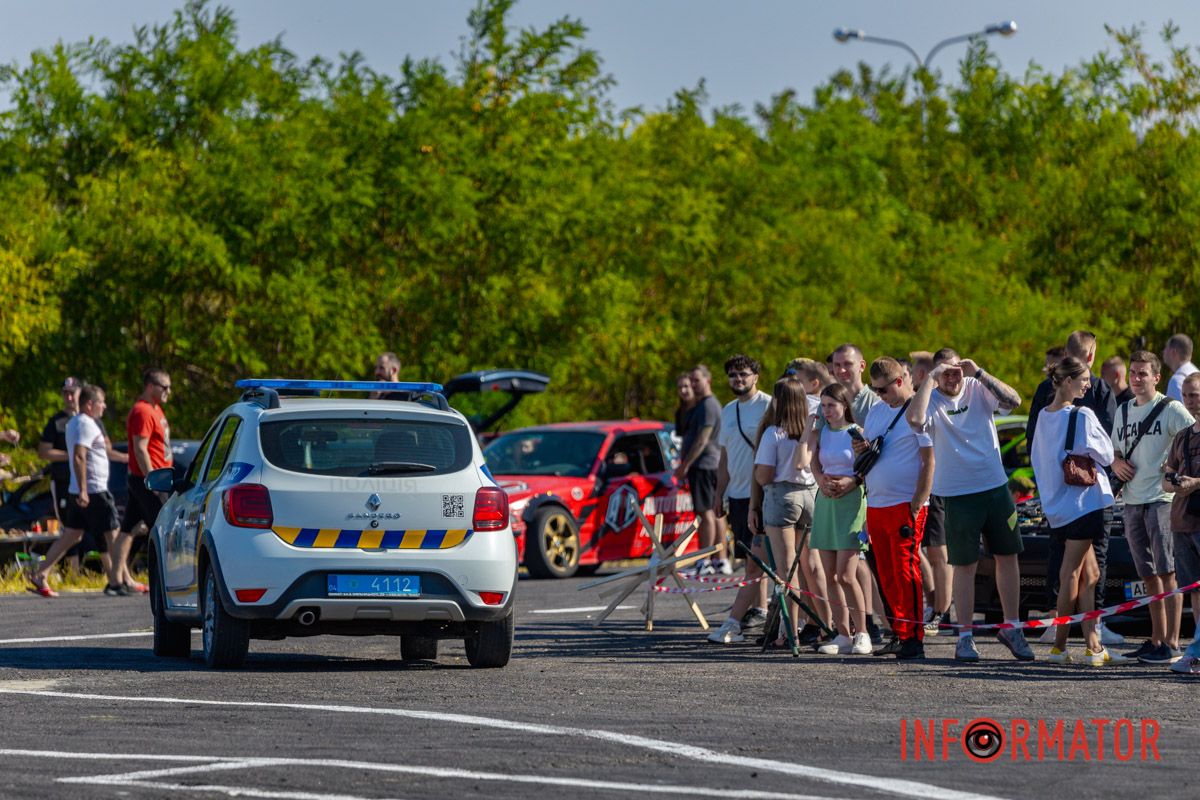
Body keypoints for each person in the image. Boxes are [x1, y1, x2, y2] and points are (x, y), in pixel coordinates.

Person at [907, 348, 1034, 662]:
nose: (952, 378)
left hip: (994, 486)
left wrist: (978, 371)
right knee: (964, 564)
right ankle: (964, 636)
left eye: (955, 371)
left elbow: (1014, 400)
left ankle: (1012, 627)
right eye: (945, 372)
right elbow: (915, 419)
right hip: (957, 493)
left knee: (1008, 556)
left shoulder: (977, 387)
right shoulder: (932, 399)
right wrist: (931, 380)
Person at [1031, 357, 1129, 665]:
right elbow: (1104, 453)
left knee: (1091, 573)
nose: (1089, 384)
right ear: (1068, 381)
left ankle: (1094, 646)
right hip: (1086, 504)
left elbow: (1039, 461)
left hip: (1059, 506)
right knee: (1072, 573)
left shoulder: (1044, 417)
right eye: (1084, 379)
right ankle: (1061, 646)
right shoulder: (1082, 414)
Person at [1113, 351, 1194, 664]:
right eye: (1133, 373)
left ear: (1157, 377)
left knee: (1168, 571)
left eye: (1143, 373)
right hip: (1132, 501)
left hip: (1162, 501)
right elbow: (1114, 451)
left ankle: (1172, 642)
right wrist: (1116, 462)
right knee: (1147, 574)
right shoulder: (1122, 412)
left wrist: (1174, 465)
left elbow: (1192, 438)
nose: (1136, 378)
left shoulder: (1170, 409)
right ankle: (1157, 638)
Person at [855, 358, 934, 659]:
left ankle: (915, 636)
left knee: (905, 568)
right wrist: (861, 448)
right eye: (875, 390)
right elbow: (875, 448)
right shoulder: (876, 411)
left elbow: (929, 459)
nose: (879, 395)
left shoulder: (917, 411)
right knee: (885, 572)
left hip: (905, 503)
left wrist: (918, 500)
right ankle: (899, 632)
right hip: (877, 503)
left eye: (883, 389)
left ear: (900, 381)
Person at [28, 385, 127, 597]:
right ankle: (120, 581)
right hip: (93, 489)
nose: (104, 406)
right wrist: (83, 490)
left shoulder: (78, 422)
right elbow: (79, 456)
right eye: (101, 402)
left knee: (72, 534)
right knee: (115, 533)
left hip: (81, 489)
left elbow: (103, 452)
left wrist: (126, 458)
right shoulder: (85, 424)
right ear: (90, 404)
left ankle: (40, 573)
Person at [708, 355, 772, 644]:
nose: (738, 380)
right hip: (736, 493)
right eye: (733, 375)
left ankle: (757, 611)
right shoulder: (728, 409)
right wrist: (719, 493)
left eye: (744, 374)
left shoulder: (768, 405)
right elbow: (724, 457)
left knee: (758, 558)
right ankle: (759, 608)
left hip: (760, 492)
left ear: (756, 376)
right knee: (748, 556)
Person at [753, 378, 820, 647]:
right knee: (812, 566)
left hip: (782, 496)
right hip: (810, 495)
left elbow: (765, 474)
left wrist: (758, 475)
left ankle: (788, 631)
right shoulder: (810, 430)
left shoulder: (774, 433)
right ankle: (821, 623)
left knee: (785, 569)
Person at [808, 383, 872, 655]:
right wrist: (820, 479)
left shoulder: (856, 432)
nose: (827, 411)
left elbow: (867, 467)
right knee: (830, 576)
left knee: (846, 574)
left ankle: (864, 633)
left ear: (844, 405)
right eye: (823, 406)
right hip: (826, 503)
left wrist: (851, 481)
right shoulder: (821, 431)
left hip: (851, 504)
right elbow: (812, 461)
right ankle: (843, 634)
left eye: (831, 405)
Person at [118, 368, 175, 594]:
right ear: (150, 386)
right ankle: (164, 578)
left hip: (149, 477)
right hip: (148, 479)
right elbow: (141, 448)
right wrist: (153, 478)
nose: (168, 392)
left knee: (129, 528)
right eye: (165, 387)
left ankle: (120, 576)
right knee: (163, 528)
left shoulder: (155, 409)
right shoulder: (142, 411)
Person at [909, 352, 952, 635]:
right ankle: (936, 606)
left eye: (913, 372)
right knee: (928, 551)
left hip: (941, 486)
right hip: (929, 486)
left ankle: (942, 612)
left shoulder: (941, 401)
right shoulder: (926, 399)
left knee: (939, 553)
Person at [675, 365, 728, 575]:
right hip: (707, 465)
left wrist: (685, 465)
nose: (694, 385)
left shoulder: (708, 406)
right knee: (714, 512)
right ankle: (719, 560)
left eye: (697, 380)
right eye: (692, 381)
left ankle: (705, 560)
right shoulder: (698, 406)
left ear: (708, 380)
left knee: (706, 513)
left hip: (704, 464)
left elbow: (702, 439)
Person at [1165, 372, 1200, 675]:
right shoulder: (1182, 436)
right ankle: (1198, 650)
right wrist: (1176, 483)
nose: (1191, 400)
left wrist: (1196, 483)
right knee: (1194, 590)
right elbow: (1166, 480)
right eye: (1187, 395)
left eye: (1196, 394)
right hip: (1182, 521)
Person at [831, 344, 881, 428]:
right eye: (837, 365)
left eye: (847, 364)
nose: (841, 370)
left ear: (862, 366)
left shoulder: (876, 402)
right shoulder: (827, 400)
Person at [1163, 334, 1198, 403]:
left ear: (1173, 352)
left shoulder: (1177, 380)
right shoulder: (1196, 373)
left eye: (1166, 348)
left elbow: (1183, 413)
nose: (1163, 351)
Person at [674, 372, 696, 439]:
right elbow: (681, 439)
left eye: (686, 386)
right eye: (679, 387)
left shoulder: (703, 408)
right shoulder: (679, 413)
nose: (683, 390)